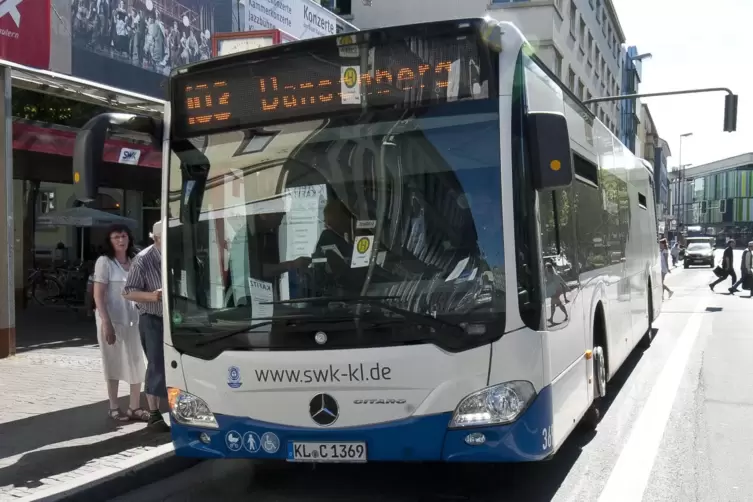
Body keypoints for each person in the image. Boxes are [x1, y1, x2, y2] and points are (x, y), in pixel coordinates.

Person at [92, 224, 148, 422]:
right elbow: (98, 295)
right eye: (116, 237)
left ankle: (135, 406)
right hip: (112, 319)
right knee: (113, 362)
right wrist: (106, 322)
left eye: (123, 236)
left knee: (137, 362)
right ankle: (114, 406)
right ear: (109, 240)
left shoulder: (134, 261)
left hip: (133, 319)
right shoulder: (105, 262)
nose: (121, 240)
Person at [123, 221, 170, 432]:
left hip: (176, 319)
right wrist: (154, 296)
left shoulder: (178, 254)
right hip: (152, 318)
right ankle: (154, 413)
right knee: (156, 364)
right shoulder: (143, 260)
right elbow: (128, 292)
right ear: (157, 238)